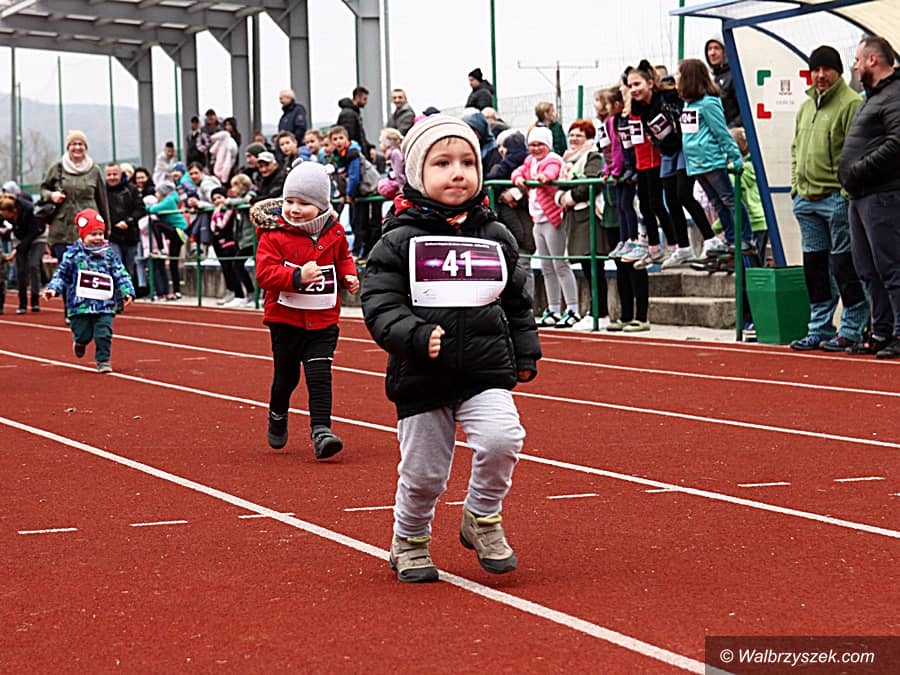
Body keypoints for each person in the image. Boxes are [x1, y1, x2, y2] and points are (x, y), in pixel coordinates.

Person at [360, 114, 541, 583]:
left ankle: (482, 516)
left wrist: (525, 353)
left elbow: (517, 301)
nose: (457, 172)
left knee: (504, 439)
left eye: (467, 162)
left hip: (485, 370)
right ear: (417, 172)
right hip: (423, 375)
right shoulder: (398, 239)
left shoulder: (496, 235)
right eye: (442, 163)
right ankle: (410, 539)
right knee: (424, 475)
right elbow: (379, 304)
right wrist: (416, 335)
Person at [251, 162, 359, 457]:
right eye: (289, 201)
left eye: (304, 203)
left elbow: (343, 258)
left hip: (323, 319)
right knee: (287, 377)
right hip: (285, 320)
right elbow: (264, 274)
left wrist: (349, 275)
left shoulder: (335, 232)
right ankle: (277, 413)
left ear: (322, 205)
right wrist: (297, 277)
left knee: (319, 373)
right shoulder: (273, 235)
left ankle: (321, 431)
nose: (294, 209)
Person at [788, 45, 869, 352]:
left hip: (835, 198)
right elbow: (796, 148)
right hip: (806, 200)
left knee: (845, 265)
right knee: (815, 269)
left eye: (827, 69)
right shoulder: (806, 107)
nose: (820, 75)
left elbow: (856, 150)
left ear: (838, 72)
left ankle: (851, 328)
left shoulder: (851, 104)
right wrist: (796, 186)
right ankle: (819, 327)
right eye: (816, 69)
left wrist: (844, 193)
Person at [839, 36, 900, 359]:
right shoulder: (873, 96)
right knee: (867, 267)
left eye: (858, 60)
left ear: (873, 60)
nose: (855, 66)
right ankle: (881, 329)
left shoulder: (895, 94)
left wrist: (859, 169)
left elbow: (897, 143)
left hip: (883, 194)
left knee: (891, 265)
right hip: (860, 195)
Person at [42, 208, 135, 373]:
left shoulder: (109, 255)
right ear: (83, 235)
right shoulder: (72, 255)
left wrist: (127, 290)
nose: (98, 238)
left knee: (104, 333)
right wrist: (53, 289)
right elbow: (62, 274)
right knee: (83, 333)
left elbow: (120, 272)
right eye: (93, 234)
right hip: (80, 305)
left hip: (104, 304)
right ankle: (80, 341)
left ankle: (103, 360)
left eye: (101, 234)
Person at [677, 58, 754, 254]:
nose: (676, 78)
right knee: (716, 203)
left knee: (729, 199)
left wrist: (735, 156)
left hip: (710, 160)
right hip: (695, 163)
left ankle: (745, 237)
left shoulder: (708, 103)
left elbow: (721, 131)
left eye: (680, 75)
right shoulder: (688, 105)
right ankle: (730, 238)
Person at [512, 126, 581, 327]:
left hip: (552, 218)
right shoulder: (530, 161)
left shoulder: (553, 159)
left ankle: (573, 308)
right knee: (546, 266)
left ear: (548, 145)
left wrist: (544, 178)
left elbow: (551, 171)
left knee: (560, 264)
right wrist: (518, 179)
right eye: (532, 145)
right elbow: (518, 171)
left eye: (539, 144)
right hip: (537, 219)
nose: (535, 148)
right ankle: (554, 309)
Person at [556, 119, 609, 330]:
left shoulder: (592, 156)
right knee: (587, 268)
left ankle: (600, 313)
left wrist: (569, 197)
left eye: (579, 135)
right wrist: (562, 196)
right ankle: (594, 311)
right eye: (571, 135)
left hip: (589, 216)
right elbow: (560, 184)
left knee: (594, 266)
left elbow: (589, 184)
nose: (574, 139)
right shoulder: (568, 159)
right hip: (575, 217)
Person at [41, 130, 111, 282]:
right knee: (67, 273)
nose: (77, 147)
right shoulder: (57, 168)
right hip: (63, 230)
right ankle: (69, 298)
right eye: (73, 144)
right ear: (68, 147)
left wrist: (106, 227)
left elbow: (102, 199)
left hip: (90, 230)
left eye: (81, 144)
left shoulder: (94, 170)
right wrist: (52, 195)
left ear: (86, 147)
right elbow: (43, 189)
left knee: (88, 273)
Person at [0, 193, 45, 314]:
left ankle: (35, 300)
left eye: (5, 215)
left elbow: (33, 233)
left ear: (13, 211)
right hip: (20, 237)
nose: (4, 218)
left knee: (33, 265)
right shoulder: (4, 212)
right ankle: (22, 303)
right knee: (21, 271)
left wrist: (17, 249)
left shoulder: (29, 210)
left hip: (37, 237)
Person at [105, 162, 144, 290]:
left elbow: (140, 209)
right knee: (116, 266)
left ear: (121, 174)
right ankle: (117, 295)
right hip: (112, 236)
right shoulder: (103, 192)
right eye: (109, 175)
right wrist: (112, 223)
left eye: (114, 174)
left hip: (130, 235)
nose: (112, 177)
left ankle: (127, 293)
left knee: (129, 269)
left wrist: (128, 221)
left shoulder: (132, 189)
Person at [705, 37, 742, 128]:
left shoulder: (735, 76)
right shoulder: (709, 78)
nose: (712, 53)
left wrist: (730, 129)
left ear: (725, 52)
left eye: (716, 48)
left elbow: (744, 110)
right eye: (709, 49)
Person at [336, 87, 372, 159]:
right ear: (357, 97)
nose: (366, 102)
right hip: (353, 154)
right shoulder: (349, 114)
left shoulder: (352, 113)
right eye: (364, 99)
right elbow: (349, 136)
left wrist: (370, 147)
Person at [277, 89, 308, 162]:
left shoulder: (298, 110)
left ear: (289, 98)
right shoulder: (285, 115)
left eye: (281, 98)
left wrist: (293, 142)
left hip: (297, 147)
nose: (280, 101)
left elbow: (300, 128)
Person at [376, 127, 406, 200]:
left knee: (383, 187)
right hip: (396, 181)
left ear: (387, 143)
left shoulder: (395, 153)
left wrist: (401, 187)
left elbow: (398, 172)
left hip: (399, 184)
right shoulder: (391, 154)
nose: (380, 145)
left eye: (381, 142)